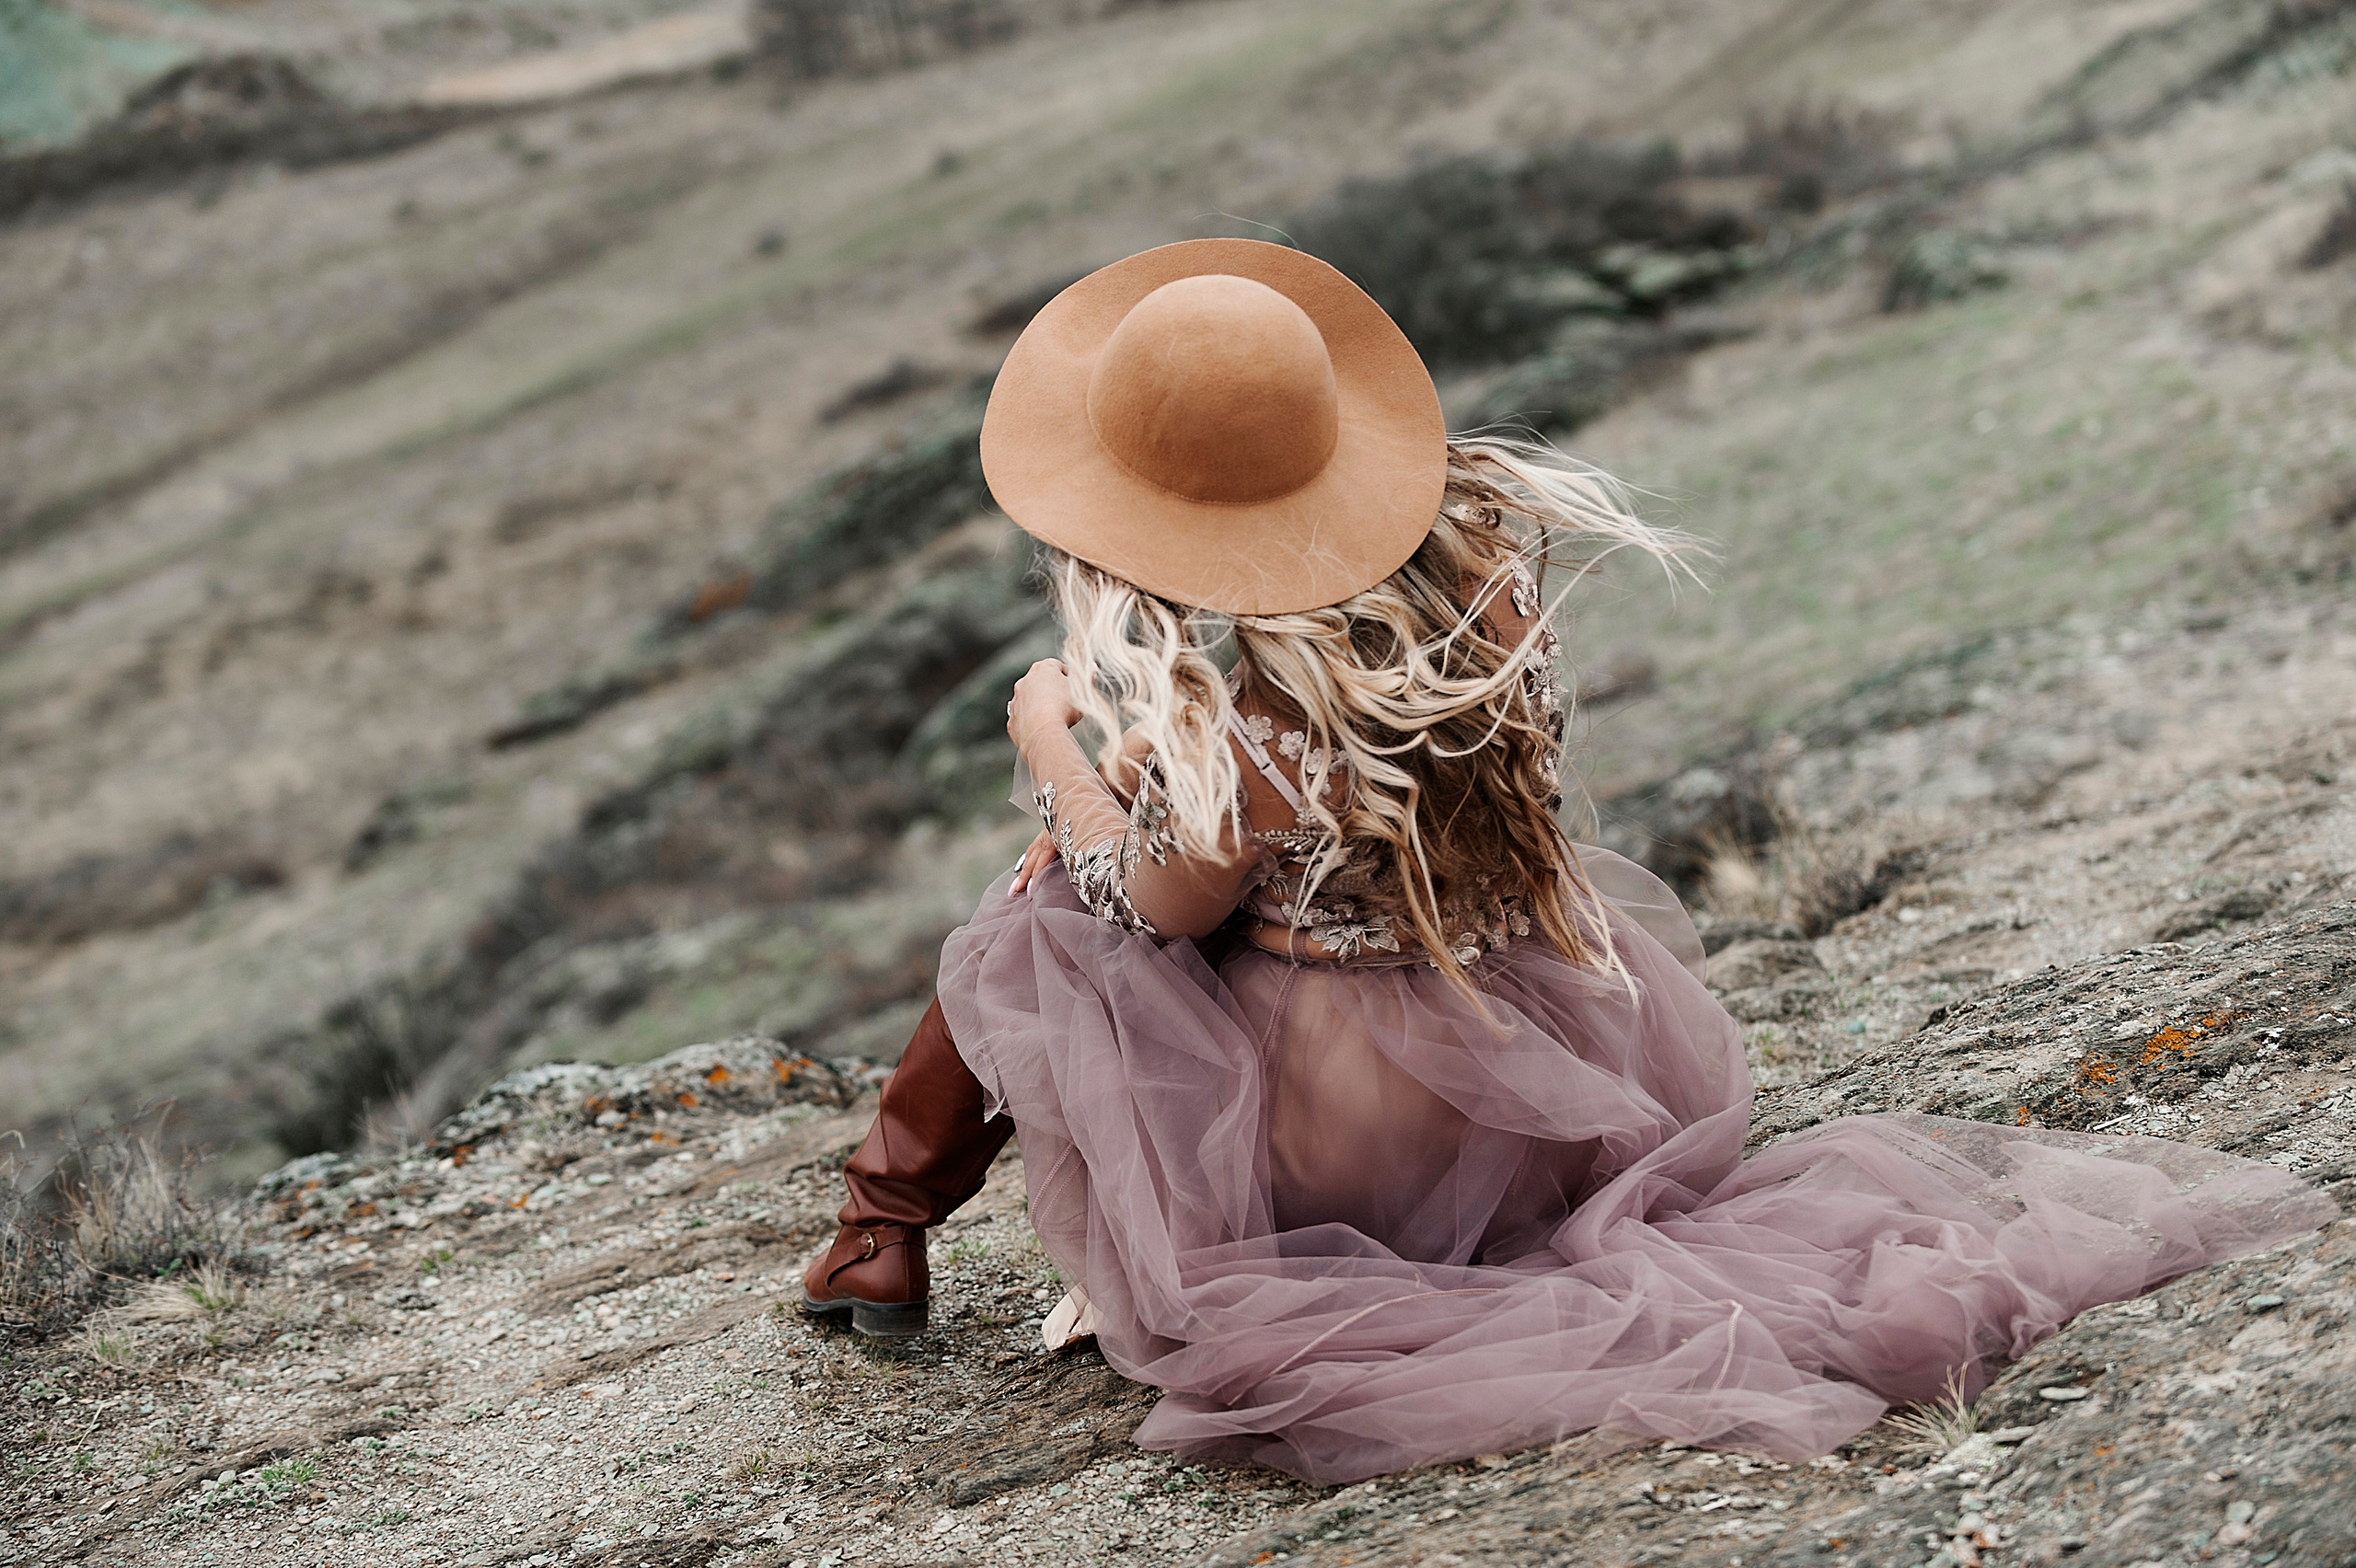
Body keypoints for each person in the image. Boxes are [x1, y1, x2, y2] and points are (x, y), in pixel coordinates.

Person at [800, 239, 2331, 1484]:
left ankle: (884, 1231)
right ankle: (883, 1229)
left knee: (1040, 910)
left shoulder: (1264, 726)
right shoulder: (1476, 606)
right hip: (1511, 1090)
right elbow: (1321, 826)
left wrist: (1060, 741)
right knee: (1107, 854)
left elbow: (1152, 900)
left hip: (1341, 1157)